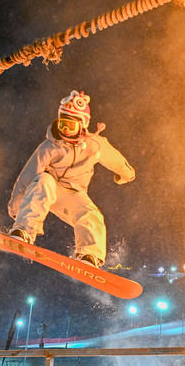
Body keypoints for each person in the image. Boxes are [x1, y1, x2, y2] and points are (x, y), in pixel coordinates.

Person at [8, 90, 135, 268]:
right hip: (50, 188)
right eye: (62, 125)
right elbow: (28, 175)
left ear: (82, 125)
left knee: (91, 214)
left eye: (70, 126)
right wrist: (16, 208)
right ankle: (24, 231)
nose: (65, 131)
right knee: (43, 180)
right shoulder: (50, 146)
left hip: (74, 193)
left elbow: (116, 159)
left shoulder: (95, 145)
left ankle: (89, 256)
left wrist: (126, 175)